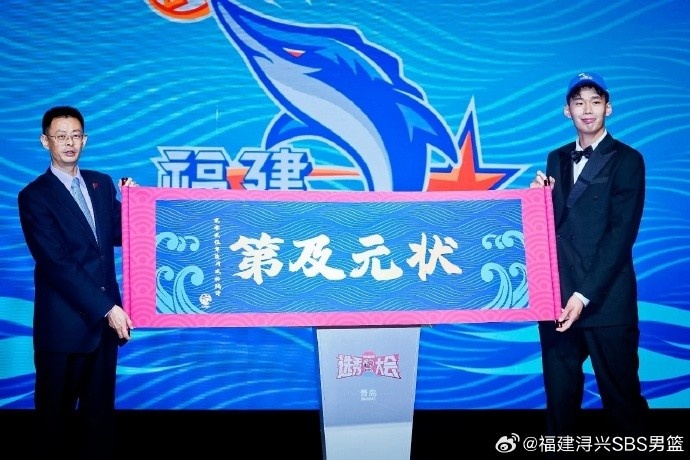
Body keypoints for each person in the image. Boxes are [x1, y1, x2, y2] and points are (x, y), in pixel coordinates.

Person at [530, 72, 649, 440]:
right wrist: (538, 200)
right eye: (579, 102)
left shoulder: (628, 160)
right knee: (560, 403)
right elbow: (554, 230)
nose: (587, 109)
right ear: (567, 110)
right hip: (558, 301)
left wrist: (583, 296)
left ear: (608, 108)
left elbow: (620, 236)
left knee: (622, 400)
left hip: (605, 301)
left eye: (595, 102)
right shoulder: (555, 159)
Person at [17, 106, 135, 460]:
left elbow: (122, 234)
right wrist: (108, 309)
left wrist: (134, 203)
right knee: (53, 425)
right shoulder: (35, 196)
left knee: (99, 424)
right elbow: (57, 264)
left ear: (85, 140)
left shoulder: (101, 184)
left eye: (75, 135)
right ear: (45, 141)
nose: (69, 142)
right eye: (61, 136)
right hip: (63, 328)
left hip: (103, 330)